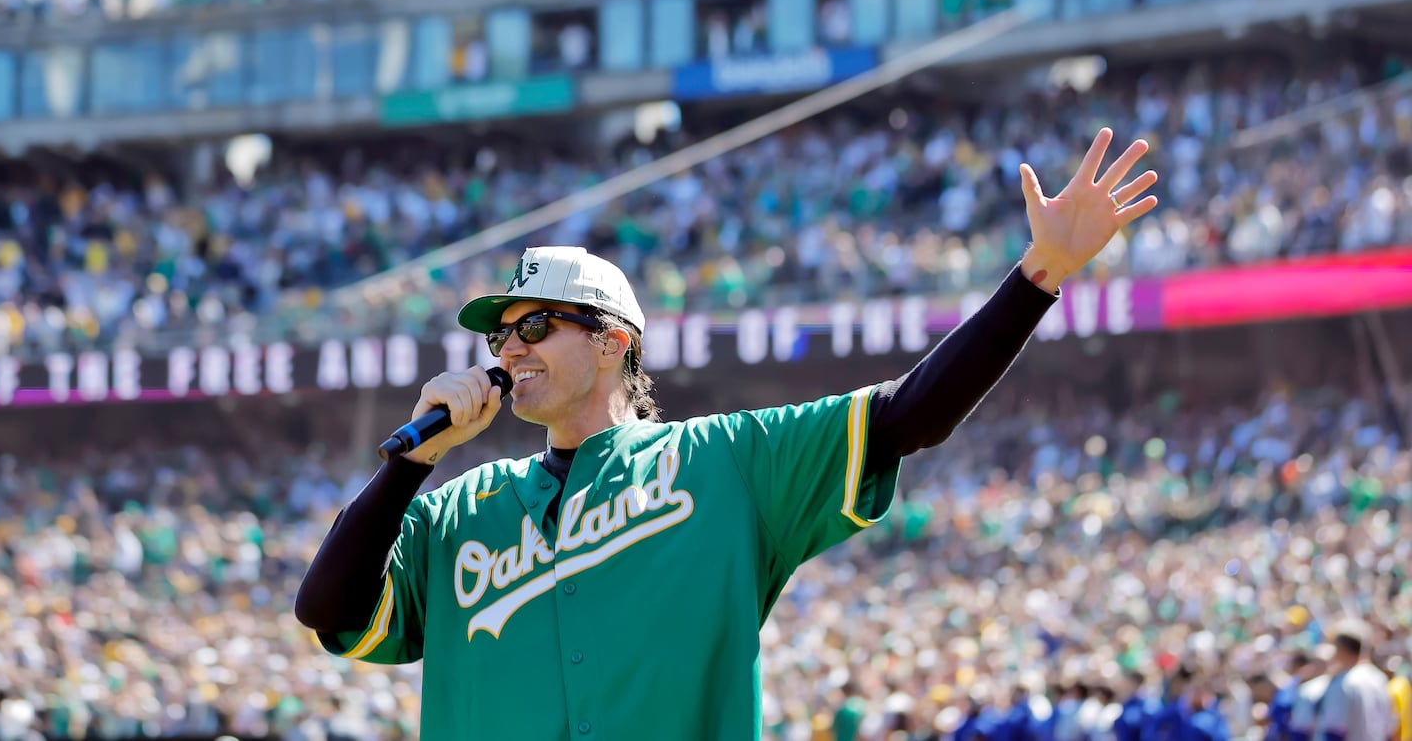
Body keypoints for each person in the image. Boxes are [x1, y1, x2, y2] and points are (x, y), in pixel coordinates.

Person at [294, 129, 1159, 740]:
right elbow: (326, 611)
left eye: (537, 326)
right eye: (500, 336)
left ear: (611, 341)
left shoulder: (725, 462)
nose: (511, 348)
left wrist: (1037, 278)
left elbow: (910, 415)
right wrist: (414, 463)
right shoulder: (458, 510)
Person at [1313, 621, 1394, 741]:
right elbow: (1389, 728)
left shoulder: (1344, 682)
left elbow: (1335, 732)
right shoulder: (1378, 677)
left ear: (1341, 649)